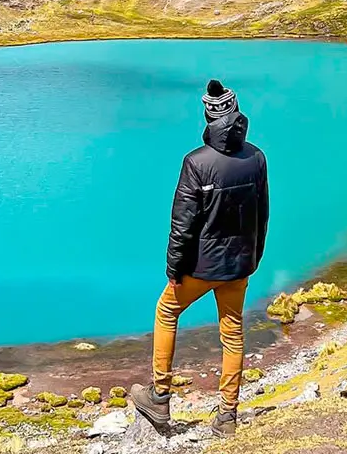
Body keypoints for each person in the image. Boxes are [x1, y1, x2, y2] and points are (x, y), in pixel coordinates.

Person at [131, 79, 269, 437]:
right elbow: (263, 214)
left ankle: (160, 396)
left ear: (208, 117)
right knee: (233, 332)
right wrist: (253, 258)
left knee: (166, 311)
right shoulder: (256, 157)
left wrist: (174, 268)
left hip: (201, 266)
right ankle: (227, 416)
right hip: (239, 265)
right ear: (237, 116)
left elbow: (183, 223)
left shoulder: (196, 162)